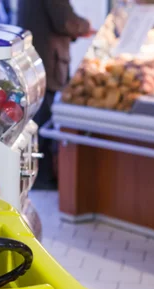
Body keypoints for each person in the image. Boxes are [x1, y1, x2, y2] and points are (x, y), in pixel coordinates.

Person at [17, 0, 94, 189]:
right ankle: (43, 177)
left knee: (38, 119)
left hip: (37, 61)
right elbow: (65, 21)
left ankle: (39, 175)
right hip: (48, 63)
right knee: (44, 121)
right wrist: (86, 25)